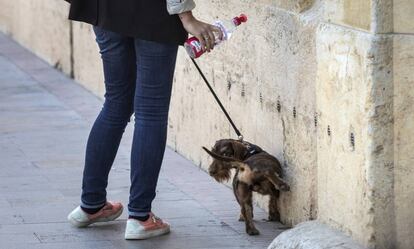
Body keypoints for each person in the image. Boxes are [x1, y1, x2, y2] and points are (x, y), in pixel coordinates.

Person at [65, 0, 222, 240]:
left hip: (104, 9)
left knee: (115, 104)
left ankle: (91, 205)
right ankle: (140, 217)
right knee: (150, 111)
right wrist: (186, 16)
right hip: (152, 12)